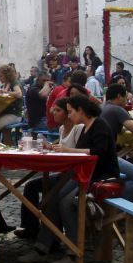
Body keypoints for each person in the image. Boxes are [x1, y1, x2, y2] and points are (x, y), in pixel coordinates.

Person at [19, 95, 119, 263]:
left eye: (71, 111)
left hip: (99, 177)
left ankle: (73, 252)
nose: (70, 115)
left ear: (81, 111)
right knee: (53, 198)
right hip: (83, 174)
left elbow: (98, 153)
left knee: (66, 203)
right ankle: (43, 248)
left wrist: (68, 150)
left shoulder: (99, 126)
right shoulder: (86, 128)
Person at [15, 97, 83, 240]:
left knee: (51, 197)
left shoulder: (78, 129)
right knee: (30, 186)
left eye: (58, 110)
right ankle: (30, 227)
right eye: (53, 110)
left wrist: (61, 150)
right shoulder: (62, 128)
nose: (54, 113)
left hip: (72, 176)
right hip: (62, 173)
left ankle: (52, 240)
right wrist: (50, 147)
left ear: (67, 113)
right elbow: (62, 149)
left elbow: (78, 154)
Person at [0, 64, 23, 140]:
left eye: (1, 76)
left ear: (7, 75)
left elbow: (19, 94)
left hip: (14, 115)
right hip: (6, 113)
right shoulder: (5, 84)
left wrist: (5, 92)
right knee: (5, 132)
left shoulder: (14, 83)